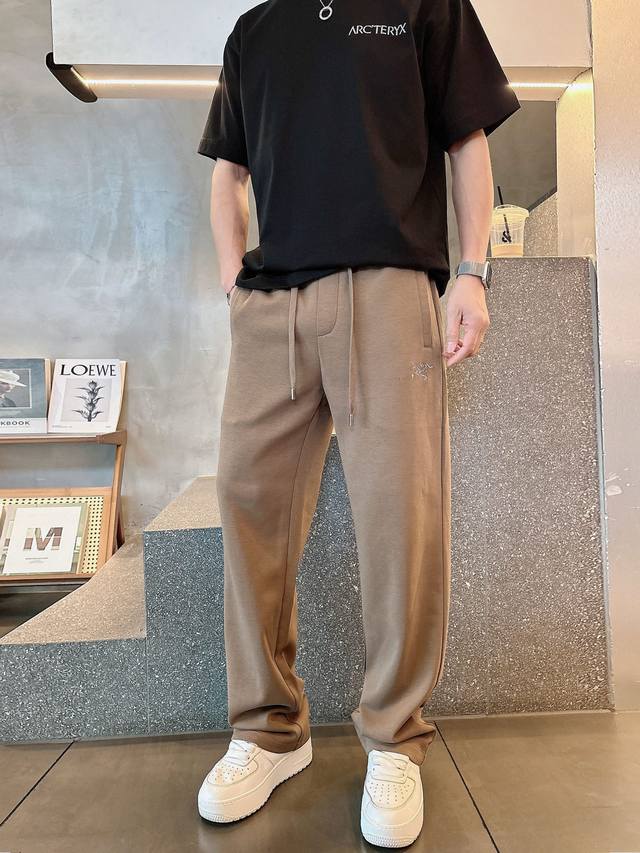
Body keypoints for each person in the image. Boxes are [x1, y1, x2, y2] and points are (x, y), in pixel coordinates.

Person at [196, 0, 520, 846]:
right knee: (247, 502)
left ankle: (394, 737)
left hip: (387, 286)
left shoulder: (425, 6)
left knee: (398, 513)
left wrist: (473, 271)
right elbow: (228, 170)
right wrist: (234, 285)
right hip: (272, 301)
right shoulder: (256, 30)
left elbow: (466, 138)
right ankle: (269, 730)